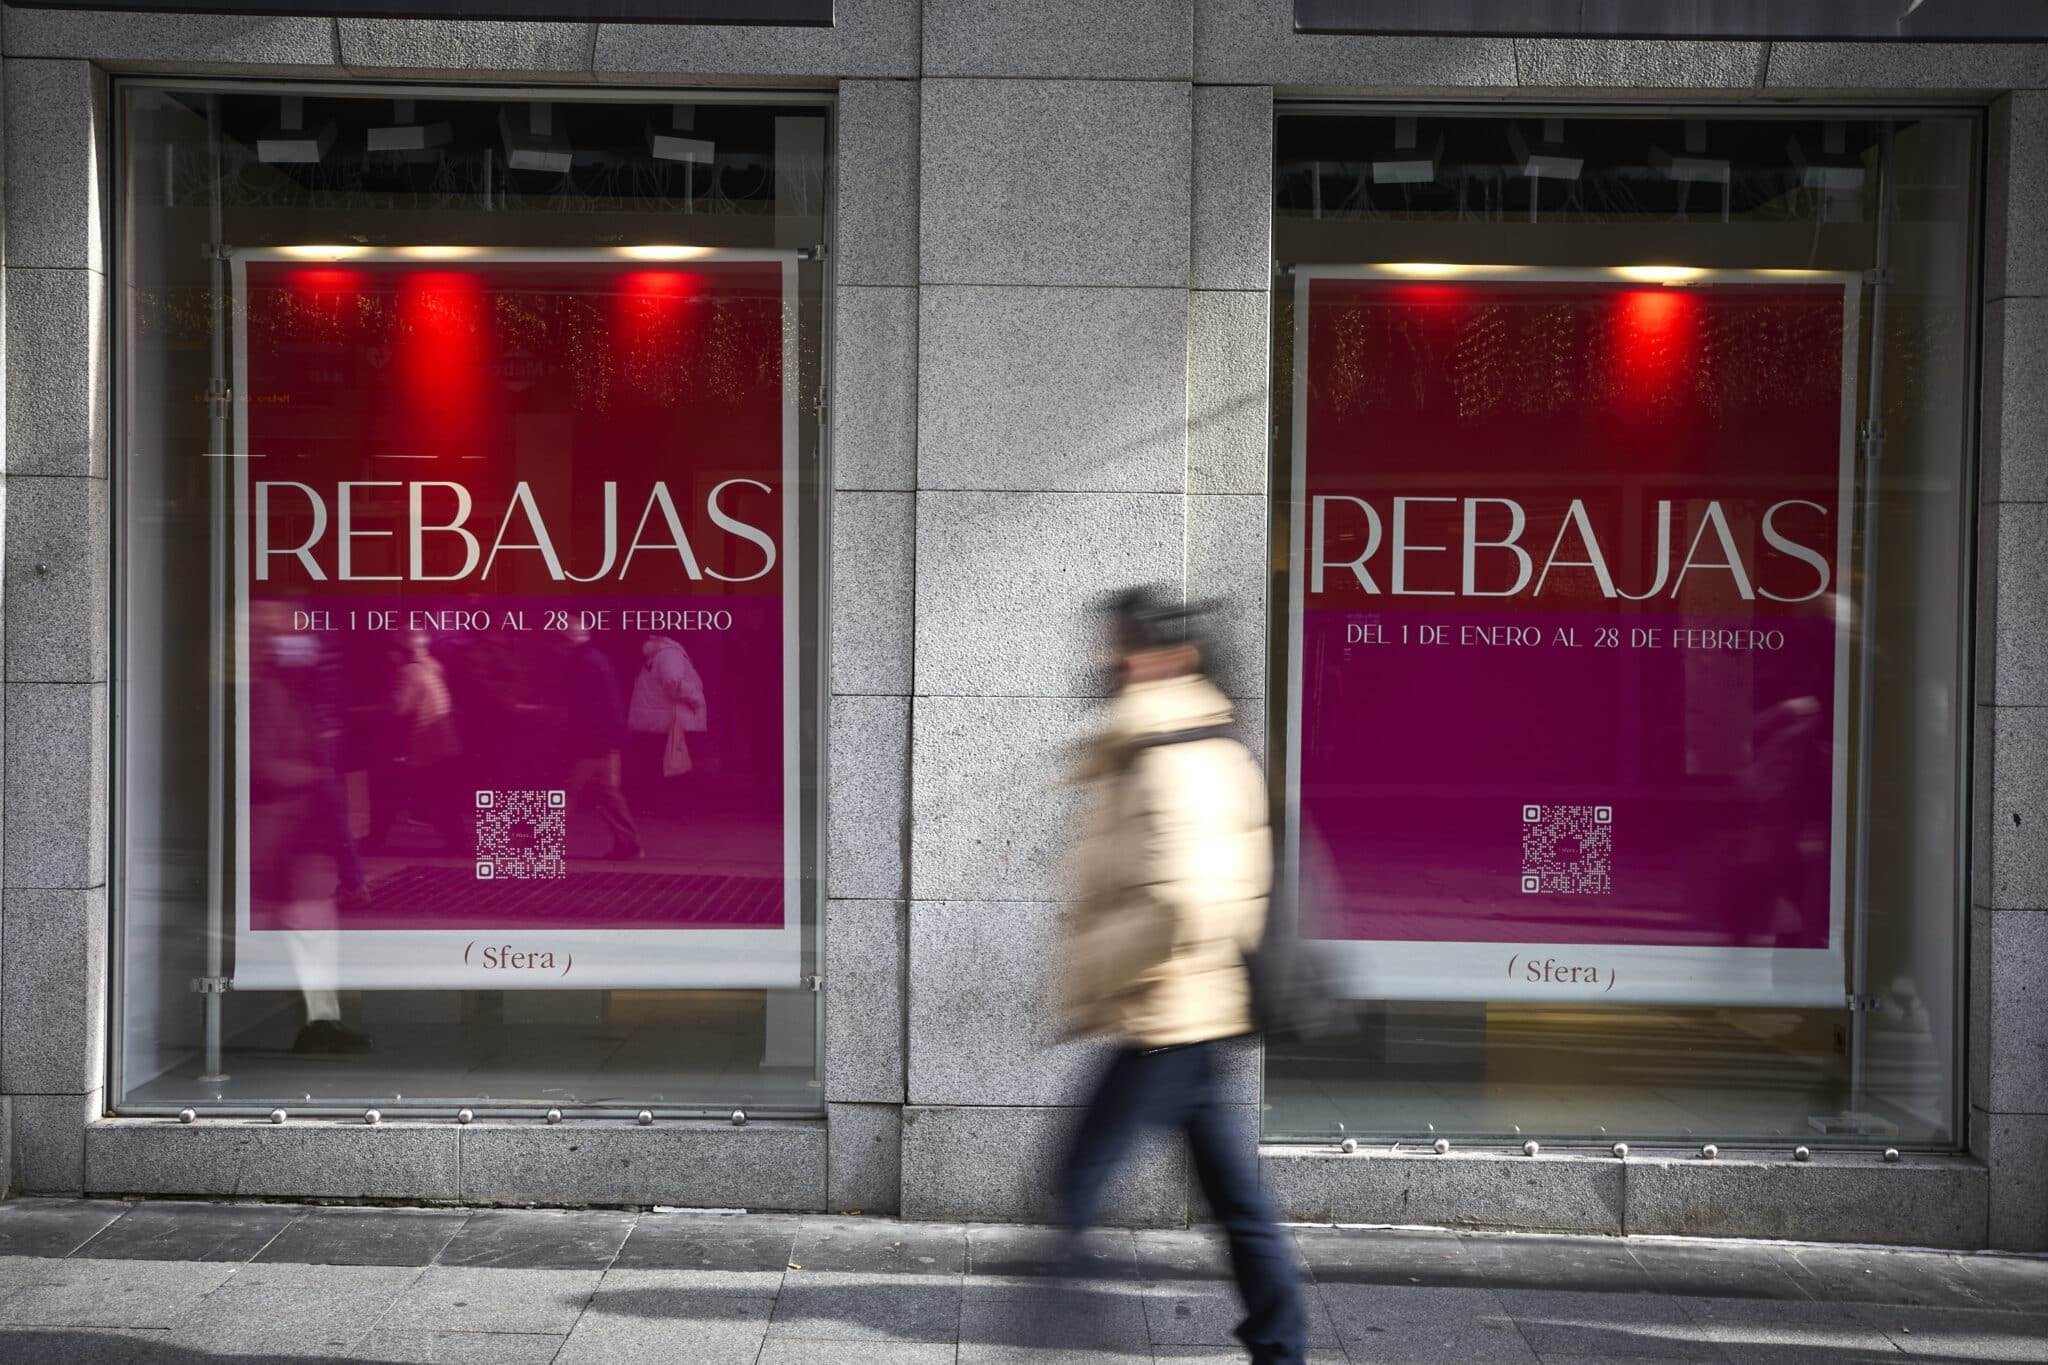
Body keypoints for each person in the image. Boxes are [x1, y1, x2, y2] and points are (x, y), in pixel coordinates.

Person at [1057, 586, 1308, 1365]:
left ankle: (1051, 1339)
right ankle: (1280, 1342)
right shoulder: (1174, 740)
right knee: (1236, 1200)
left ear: (1170, 656)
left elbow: (1184, 898)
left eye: (1122, 645)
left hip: (1166, 1011)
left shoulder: (1176, 752)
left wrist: (1094, 965)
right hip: (1189, 1012)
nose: (1109, 660)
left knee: (1073, 1184)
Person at [560, 623, 641, 860]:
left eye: (560, 640)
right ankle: (629, 843)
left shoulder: (582, 663)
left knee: (567, 791)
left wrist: (579, 739)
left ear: (569, 640)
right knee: (608, 794)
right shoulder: (596, 658)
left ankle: (541, 843)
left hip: (591, 742)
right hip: (605, 739)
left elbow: (588, 706)